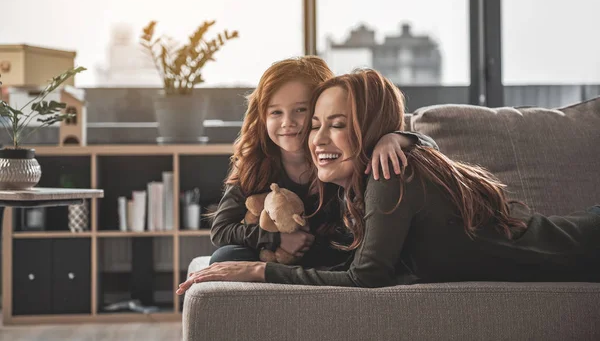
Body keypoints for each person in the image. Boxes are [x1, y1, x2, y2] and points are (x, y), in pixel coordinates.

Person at [177, 68, 600, 293]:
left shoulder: (388, 174)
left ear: (371, 128)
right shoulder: (355, 186)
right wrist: (266, 249)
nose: (316, 137)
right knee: (224, 257)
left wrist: (257, 272)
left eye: (336, 124)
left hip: (584, 244)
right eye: (317, 125)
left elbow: (366, 276)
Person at [208, 57, 437, 269]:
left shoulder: (340, 152)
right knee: (224, 257)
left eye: (300, 110)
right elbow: (220, 230)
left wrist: (397, 138)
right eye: (276, 112)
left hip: (334, 251)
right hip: (277, 251)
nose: (288, 122)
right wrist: (277, 238)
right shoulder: (254, 164)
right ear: (262, 117)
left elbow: (431, 150)